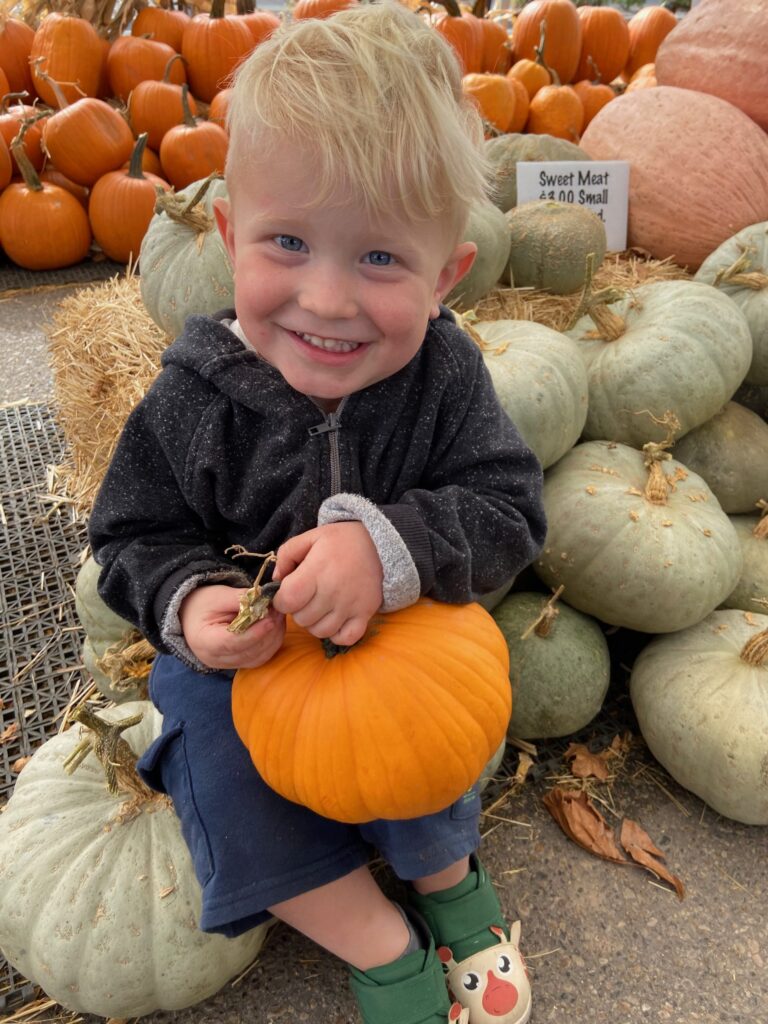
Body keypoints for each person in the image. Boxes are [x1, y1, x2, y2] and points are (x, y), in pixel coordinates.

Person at [89, 3, 546, 1022]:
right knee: (211, 755)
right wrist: (189, 600)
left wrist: (390, 550)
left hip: (391, 630)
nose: (328, 299)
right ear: (225, 235)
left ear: (447, 276)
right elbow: (129, 534)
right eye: (287, 242)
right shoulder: (193, 395)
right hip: (245, 657)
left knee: (434, 705)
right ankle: (380, 945)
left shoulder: (445, 378)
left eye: (381, 259)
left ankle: (446, 881)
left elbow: (509, 508)